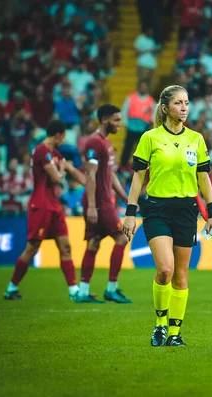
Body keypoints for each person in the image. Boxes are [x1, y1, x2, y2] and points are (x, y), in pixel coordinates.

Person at [122, 85, 212, 347]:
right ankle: (160, 324)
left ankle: (175, 333)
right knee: (165, 270)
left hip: (187, 210)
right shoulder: (150, 137)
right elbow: (138, 177)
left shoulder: (196, 139)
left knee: (181, 276)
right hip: (157, 209)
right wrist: (130, 213)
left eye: (187, 103)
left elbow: (203, 177)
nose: (184, 108)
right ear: (165, 108)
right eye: (178, 103)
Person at [4, 120, 85, 300]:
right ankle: (11, 288)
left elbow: (71, 169)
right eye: (63, 137)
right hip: (41, 206)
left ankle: (74, 291)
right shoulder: (41, 151)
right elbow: (57, 178)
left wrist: (90, 184)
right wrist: (62, 169)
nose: (63, 141)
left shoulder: (55, 153)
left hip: (54, 206)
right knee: (32, 247)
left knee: (65, 246)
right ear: (57, 135)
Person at [76, 105, 131, 304]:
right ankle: (111, 288)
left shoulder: (105, 142)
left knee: (94, 242)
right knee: (122, 238)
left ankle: (83, 292)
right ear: (105, 120)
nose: (120, 124)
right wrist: (92, 206)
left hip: (104, 200)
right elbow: (89, 174)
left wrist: (125, 197)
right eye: (116, 120)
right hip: (99, 201)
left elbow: (111, 173)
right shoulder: (94, 142)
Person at [120, 80, 155, 167]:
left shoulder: (151, 101)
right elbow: (124, 111)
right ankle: (123, 165)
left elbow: (154, 114)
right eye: (142, 86)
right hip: (131, 128)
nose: (143, 88)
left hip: (143, 129)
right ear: (139, 87)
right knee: (127, 148)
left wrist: (152, 123)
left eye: (145, 86)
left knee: (141, 150)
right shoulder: (131, 97)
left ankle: (138, 166)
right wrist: (125, 124)